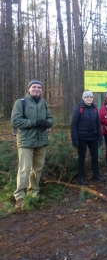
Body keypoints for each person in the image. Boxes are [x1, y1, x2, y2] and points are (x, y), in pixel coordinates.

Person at [11, 79, 54, 208]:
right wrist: (35, 123)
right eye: (34, 87)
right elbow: (15, 121)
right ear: (29, 89)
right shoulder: (21, 103)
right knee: (24, 169)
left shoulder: (43, 103)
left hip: (41, 141)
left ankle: (34, 192)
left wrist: (47, 123)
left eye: (39, 87)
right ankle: (20, 196)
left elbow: (50, 118)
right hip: (26, 141)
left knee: (37, 168)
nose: (37, 89)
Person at [71, 91, 106, 185]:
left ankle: (96, 174)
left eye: (91, 97)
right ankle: (81, 177)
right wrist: (75, 139)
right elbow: (74, 124)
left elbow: (98, 124)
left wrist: (100, 137)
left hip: (93, 137)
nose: (89, 98)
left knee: (95, 156)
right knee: (81, 157)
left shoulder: (94, 108)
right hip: (82, 138)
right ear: (83, 98)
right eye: (87, 97)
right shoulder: (79, 108)